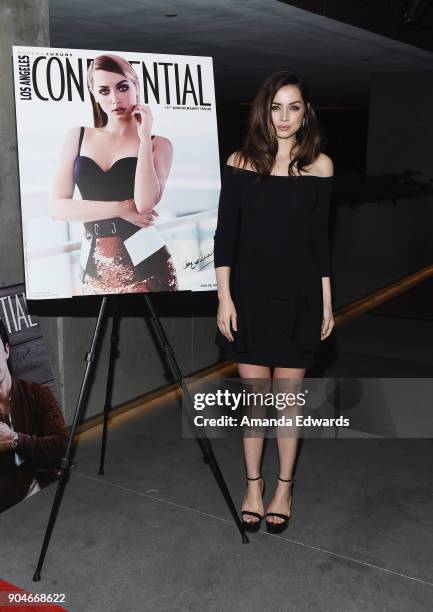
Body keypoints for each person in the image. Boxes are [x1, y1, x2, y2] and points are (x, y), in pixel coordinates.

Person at [213, 71, 335, 534]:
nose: (284, 117)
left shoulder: (320, 167)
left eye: (294, 107)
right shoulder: (241, 163)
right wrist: (224, 298)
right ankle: (253, 486)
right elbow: (226, 237)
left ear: (306, 114)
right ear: (264, 111)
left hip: (300, 297)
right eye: (276, 107)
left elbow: (319, 243)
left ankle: (284, 487)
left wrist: (325, 303)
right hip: (248, 295)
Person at [50, 53, 178, 294]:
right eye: (104, 91)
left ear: (136, 86)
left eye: (122, 87)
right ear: (93, 93)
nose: (115, 99)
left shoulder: (158, 144)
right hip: (93, 267)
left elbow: (144, 204)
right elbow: (57, 209)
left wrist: (143, 138)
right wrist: (120, 208)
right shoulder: (77, 136)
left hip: (148, 266)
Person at [0, 320, 68, 513]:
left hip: (45, 494)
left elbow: (62, 447)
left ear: (6, 350)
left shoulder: (36, 394)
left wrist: (16, 440)